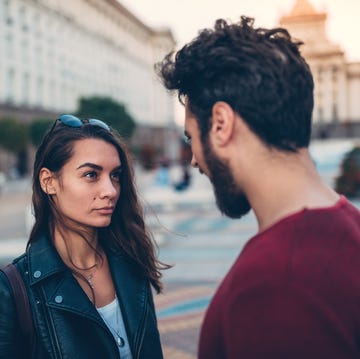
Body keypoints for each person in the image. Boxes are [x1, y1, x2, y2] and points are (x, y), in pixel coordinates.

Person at [156, 16, 360, 358]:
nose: (193, 160)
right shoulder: (348, 224)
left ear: (221, 124)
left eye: (192, 138)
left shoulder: (277, 283)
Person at [0, 114, 167, 358]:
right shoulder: (12, 290)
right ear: (49, 182)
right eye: (91, 175)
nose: (110, 191)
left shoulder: (132, 259)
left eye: (115, 175)